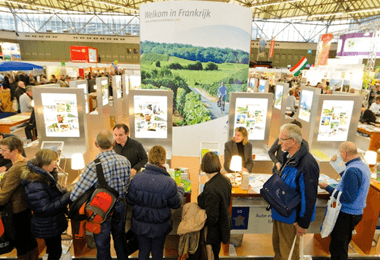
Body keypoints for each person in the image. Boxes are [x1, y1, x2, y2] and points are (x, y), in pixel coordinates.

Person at [70, 130, 131, 260]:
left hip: (101, 209)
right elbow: (127, 185)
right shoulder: (125, 161)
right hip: (120, 205)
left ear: (96, 144)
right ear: (113, 143)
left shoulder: (93, 166)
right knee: (120, 239)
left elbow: (75, 195)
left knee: (102, 244)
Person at [127, 145, 184, 260]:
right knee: (157, 253)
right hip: (160, 226)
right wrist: (180, 189)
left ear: (149, 158)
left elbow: (130, 200)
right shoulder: (169, 182)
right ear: (163, 160)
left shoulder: (137, 178)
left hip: (140, 225)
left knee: (143, 252)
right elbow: (176, 204)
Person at [271, 124, 319, 260]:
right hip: (280, 213)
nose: (279, 143)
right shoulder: (289, 158)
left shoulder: (307, 164)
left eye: (282, 139)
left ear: (293, 141)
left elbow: (309, 197)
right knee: (278, 249)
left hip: (292, 218)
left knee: (289, 254)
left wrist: (303, 224)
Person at [319, 142, 371, 260]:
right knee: (341, 246)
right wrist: (335, 163)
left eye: (339, 153)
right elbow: (347, 178)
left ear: (344, 153)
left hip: (347, 214)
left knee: (338, 249)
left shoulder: (353, 170)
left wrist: (327, 187)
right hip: (355, 213)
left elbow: (347, 197)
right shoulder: (362, 166)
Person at [21, 149, 71, 260]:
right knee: (55, 252)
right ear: (46, 162)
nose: (56, 164)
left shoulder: (44, 176)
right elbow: (45, 209)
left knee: (53, 250)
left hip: (51, 223)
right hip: (48, 224)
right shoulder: (36, 183)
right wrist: (67, 197)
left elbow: (51, 193)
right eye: (55, 161)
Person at [0, 136, 38, 260]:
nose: (1, 152)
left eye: (4, 150)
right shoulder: (26, 162)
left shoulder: (15, 169)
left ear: (15, 151)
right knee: (29, 242)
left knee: (22, 245)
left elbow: (2, 198)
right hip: (25, 209)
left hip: (16, 213)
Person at [194, 152, 232, 260]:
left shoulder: (211, 188)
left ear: (204, 166)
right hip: (223, 225)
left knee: (211, 255)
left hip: (213, 231)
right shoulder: (225, 180)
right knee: (216, 253)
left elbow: (211, 216)